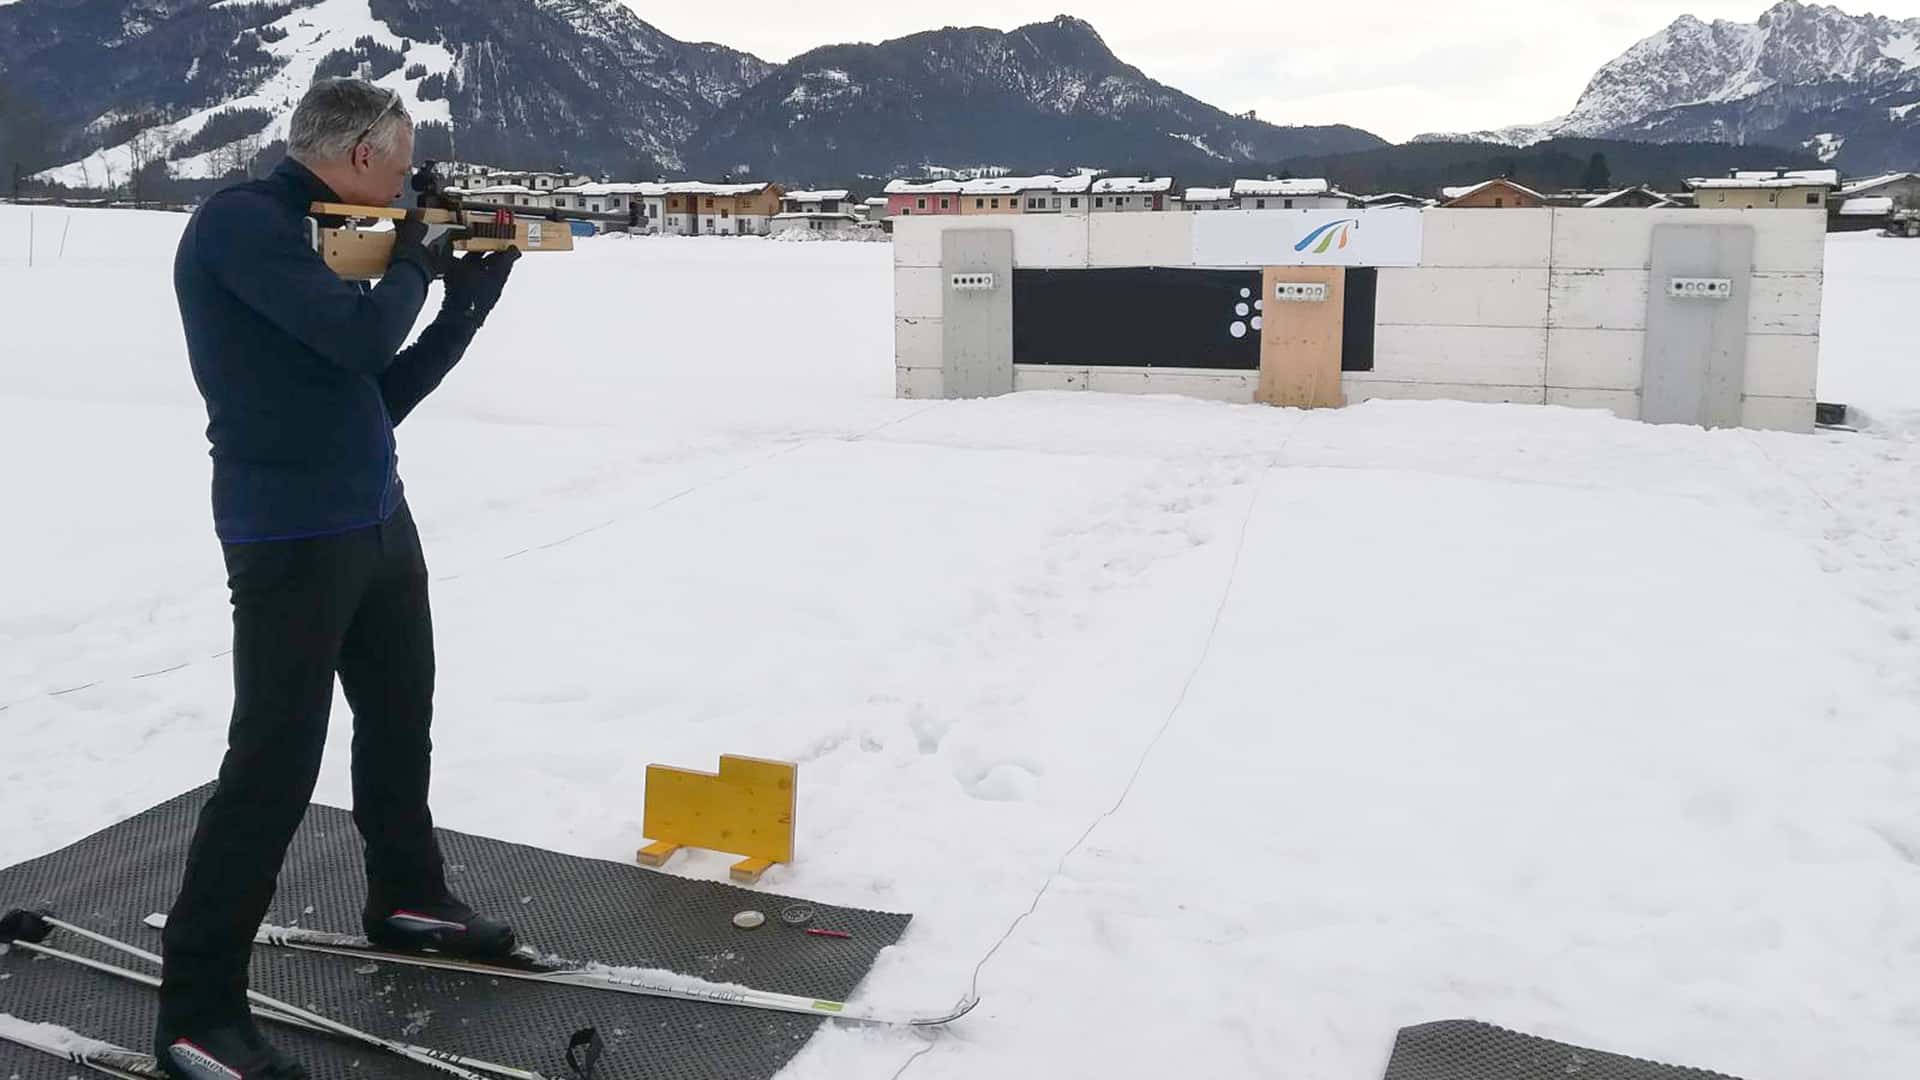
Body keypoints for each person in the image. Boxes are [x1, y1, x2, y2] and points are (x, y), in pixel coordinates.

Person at [161, 78, 522, 1080]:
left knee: (402, 714)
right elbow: (365, 336)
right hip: (288, 535)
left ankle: (406, 898)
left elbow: (376, 393)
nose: (405, 187)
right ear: (362, 154)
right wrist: (414, 260)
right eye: (401, 168)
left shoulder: (322, 248)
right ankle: (194, 1013)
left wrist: (464, 310)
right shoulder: (244, 226)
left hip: (373, 517)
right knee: (272, 766)